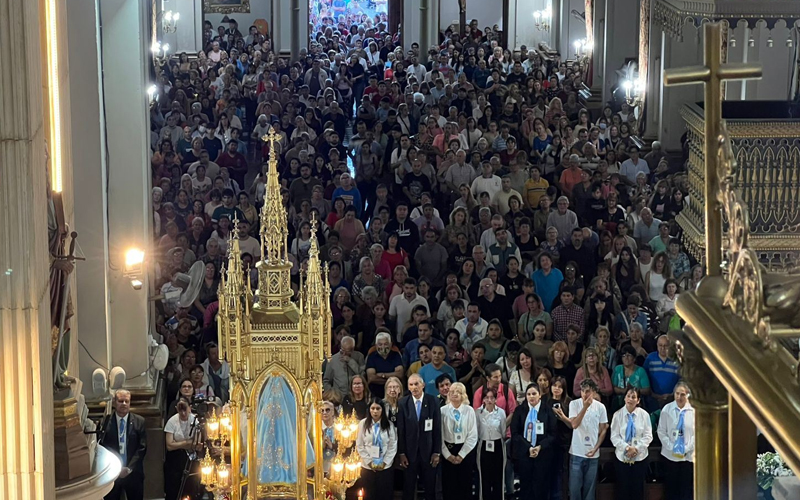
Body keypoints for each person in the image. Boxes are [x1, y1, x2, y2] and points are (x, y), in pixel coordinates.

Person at [555, 379, 608, 500]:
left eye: (588, 391)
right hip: (576, 452)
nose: (584, 394)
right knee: (574, 489)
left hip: (593, 454)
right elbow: (574, 424)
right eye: (583, 391)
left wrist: (596, 447)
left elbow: (603, 430)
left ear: (593, 392)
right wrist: (585, 407)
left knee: (590, 491)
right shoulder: (574, 404)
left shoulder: (601, 407)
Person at [396, 374, 442, 500]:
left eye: (416, 384)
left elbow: (437, 428)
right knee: (409, 487)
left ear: (423, 385)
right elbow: (401, 430)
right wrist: (402, 453)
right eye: (411, 384)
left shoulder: (433, 401)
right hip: (409, 453)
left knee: (430, 487)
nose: (414, 387)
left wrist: (436, 452)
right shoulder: (403, 403)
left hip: (429, 452)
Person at [511, 383, 557, 500]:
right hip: (525, 454)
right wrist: (528, 447)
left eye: (534, 394)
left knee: (541, 487)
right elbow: (515, 433)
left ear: (540, 395)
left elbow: (552, 434)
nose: (531, 396)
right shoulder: (520, 410)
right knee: (526, 487)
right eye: (529, 394)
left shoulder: (547, 410)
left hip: (543, 454)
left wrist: (540, 447)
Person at [100, 390, 147, 500]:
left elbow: (142, 447)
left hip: (133, 473)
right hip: (112, 474)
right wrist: (117, 468)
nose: (124, 404)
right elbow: (103, 447)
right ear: (114, 402)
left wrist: (129, 468)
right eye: (121, 401)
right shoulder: (105, 422)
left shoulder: (139, 421)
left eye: (127, 401)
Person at [610, 387, 653, 500]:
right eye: (628, 396)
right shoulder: (617, 415)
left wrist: (636, 448)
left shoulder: (644, 415)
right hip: (622, 457)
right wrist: (627, 448)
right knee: (622, 490)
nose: (630, 399)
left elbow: (648, 436)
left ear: (638, 400)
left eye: (633, 397)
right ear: (624, 398)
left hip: (640, 458)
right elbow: (614, 436)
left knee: (637, 490)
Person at [440, 382, 479, 500]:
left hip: (465, 451)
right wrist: (447, 455)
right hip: (448, 450)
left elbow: (473, 435)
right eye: (452, 391)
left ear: (463, 395)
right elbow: (439, 435)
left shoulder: (469, 410)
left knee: (465, 484)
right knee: (449, 485)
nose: (454, 394)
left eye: (458, 392)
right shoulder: (442, 411)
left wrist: (462, 455)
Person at [657, 382, 695, 500]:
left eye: (682, 394)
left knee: (686, 491)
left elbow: (697, 433)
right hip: (670, 456)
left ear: (688, 395)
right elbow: (661, 431)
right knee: (671, 491)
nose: (679, 397)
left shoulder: (694, 410)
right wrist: (672, 447)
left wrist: (686, 448)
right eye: (677, 394)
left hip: (688, 457)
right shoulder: (667, 409)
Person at [356, 398, 399, 500]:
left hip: (385, 467)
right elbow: (360, 445)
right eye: (373, 408)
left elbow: (392, 445)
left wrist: (385, 462)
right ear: (369, 409)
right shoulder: (363, 424)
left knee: (384, 495)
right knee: (369, 494)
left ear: (382, 410)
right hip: (367, 467)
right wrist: (369, 462)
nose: (375, 411)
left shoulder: (389, 425)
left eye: (378, 408)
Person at [163, 396, 203, 500]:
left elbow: (196, 444)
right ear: (176, 409)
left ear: (190, 408)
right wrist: (187, 443)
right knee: (173, 489)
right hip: (175, 459)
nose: (183, 413)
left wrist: (178, 443)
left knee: (191, 488)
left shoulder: (195, 421)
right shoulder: (172, 421)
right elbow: (169, 446)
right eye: (180, 410)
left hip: (190, 459)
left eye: (185, 409)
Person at [475, 386, 507, 500]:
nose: (489, 400)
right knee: (484, 477)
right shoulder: (478, 412)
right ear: (483, 399)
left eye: (492, 397)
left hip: (498, 445)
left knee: (498, 476)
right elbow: (477, 430)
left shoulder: (501, 412)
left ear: (496, 399)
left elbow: (503, 431)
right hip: (483, 445)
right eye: (486, 397)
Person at [644, 335, 681, 408]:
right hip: (653, 400)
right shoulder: (650, 359)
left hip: (673, 400)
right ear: (657, 345)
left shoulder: (676, 359)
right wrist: (653, 394)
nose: (663, 348)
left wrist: (672, 394)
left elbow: (681, 379)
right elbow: (644, 377)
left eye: (665, 346)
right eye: (660, 345)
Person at [365, 332, 405, 398]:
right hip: (375, 393)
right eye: (380, 344)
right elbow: (371, 378)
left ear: (390, 344)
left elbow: (400, 374)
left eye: (386, 344)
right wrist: (391, 379)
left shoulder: (396, 355)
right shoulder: (371, 357)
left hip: (394, 392)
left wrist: (382, 375)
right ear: (376, 345)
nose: (383, 347)